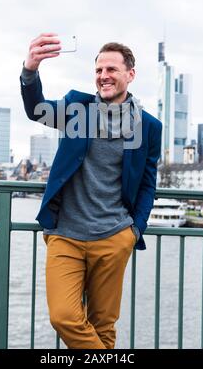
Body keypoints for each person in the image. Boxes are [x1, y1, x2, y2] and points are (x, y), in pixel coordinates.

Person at [20, 32, 162, 349]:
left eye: (111, 69)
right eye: (98, 70)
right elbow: (36, 110)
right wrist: (30, 71)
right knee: (64, 317)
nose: (103, 76)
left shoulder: (148, 126)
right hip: (66, 235)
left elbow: (148, 182)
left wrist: (135, 230)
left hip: (114, 237)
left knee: (103, 325)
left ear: (130, 74)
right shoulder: (77, 110)